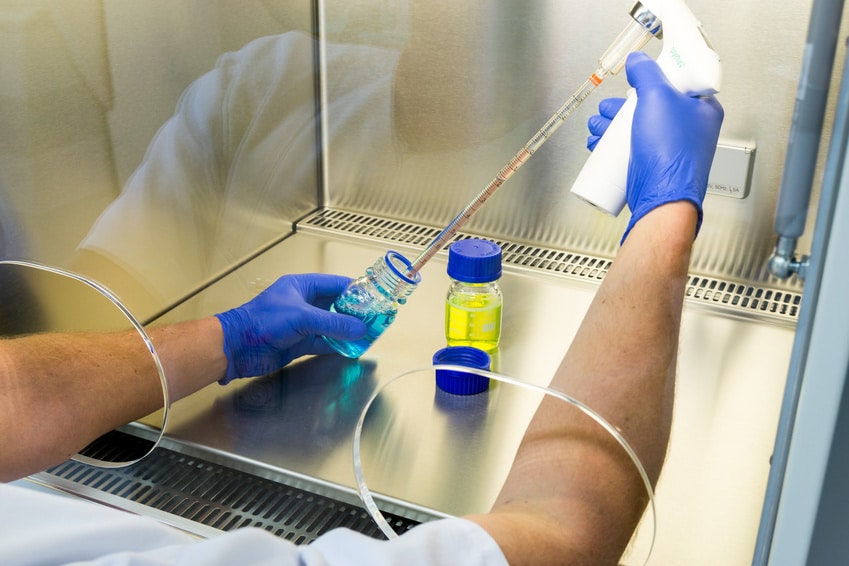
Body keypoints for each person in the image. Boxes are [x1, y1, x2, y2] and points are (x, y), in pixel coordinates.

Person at [0, 52, 723, 565]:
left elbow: (11, 395)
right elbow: (564, 532)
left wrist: (226, 339)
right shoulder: (261, 88)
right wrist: (664, 213)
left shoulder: (273, 68)